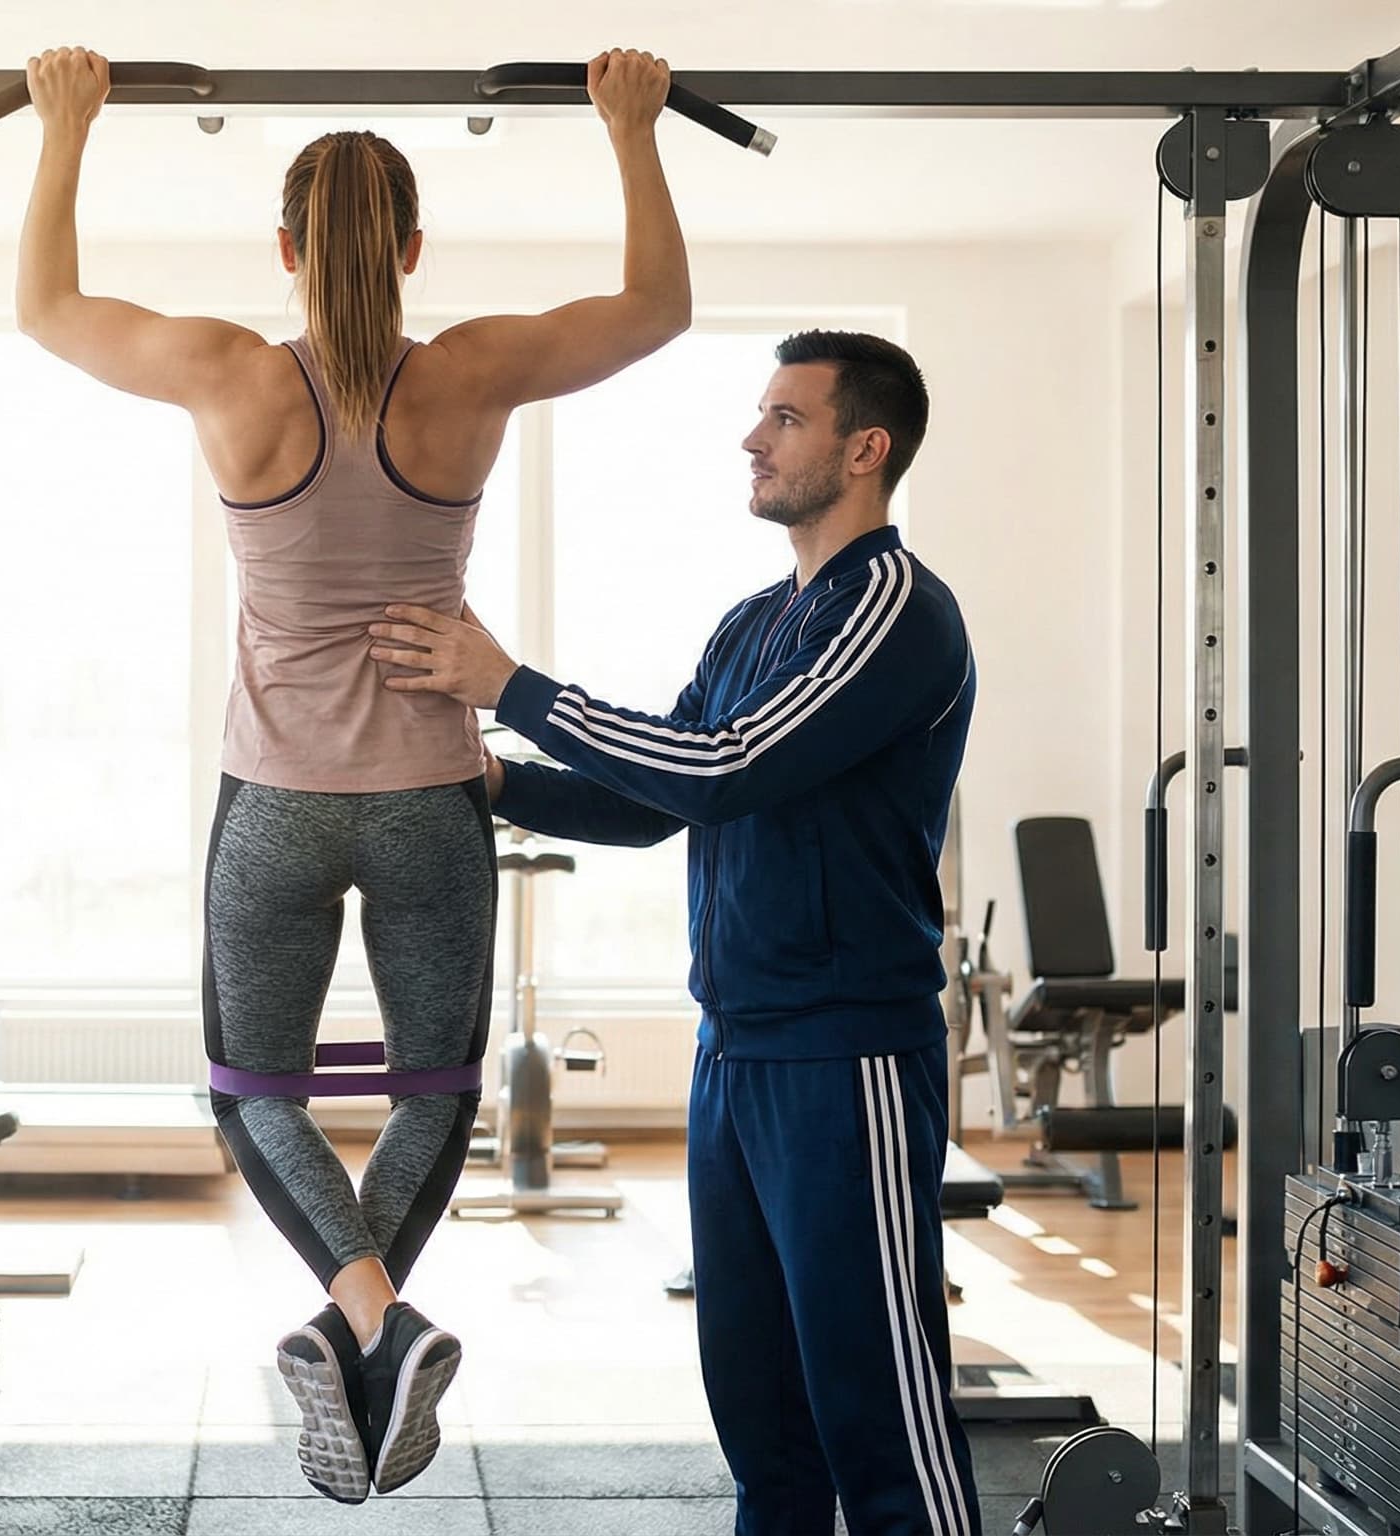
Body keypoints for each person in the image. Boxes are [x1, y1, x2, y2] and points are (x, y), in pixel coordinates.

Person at [13, 44, 691, 1503]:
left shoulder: (232, 374)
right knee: (434, 1089)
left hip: (275, 802)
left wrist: (66, 128)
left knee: (253, 1089)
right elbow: (656, 309)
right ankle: (367, 1325)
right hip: (433, 795)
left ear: (284, 246)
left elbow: (48, 309)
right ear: (416, 245)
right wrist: (629, 130)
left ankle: (369, 1315)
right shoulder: (471, 375)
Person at [369, 330, 986, 1536]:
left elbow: (723, 766)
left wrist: (513, 686)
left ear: (866, 449)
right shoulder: (755, 620)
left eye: (785, 419)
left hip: (843, 1053)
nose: (751, 439)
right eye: (758, 414)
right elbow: (652, 801)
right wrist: (488, 779)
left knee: (878, 1411)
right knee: (760, 1413)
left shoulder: (895, 609)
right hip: (737, 1052)